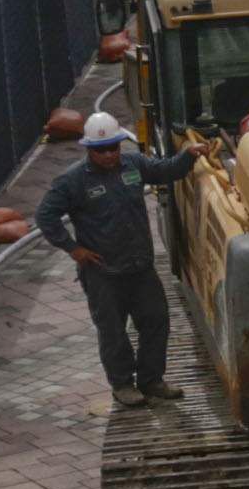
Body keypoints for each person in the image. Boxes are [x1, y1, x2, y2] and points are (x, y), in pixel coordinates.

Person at [31, 110, 205, 407]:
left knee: (156, 321)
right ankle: (123, 384)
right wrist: (74, 249)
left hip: (140, 267)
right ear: (89, 149)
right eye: (101, 150)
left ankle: (151, 380)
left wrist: (189, 155)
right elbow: (45, 216)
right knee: (113, 332)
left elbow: (165, 171)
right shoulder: (72, 182)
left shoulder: (133, 165)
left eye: (114, 147)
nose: (109, 154)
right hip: (103, 273)